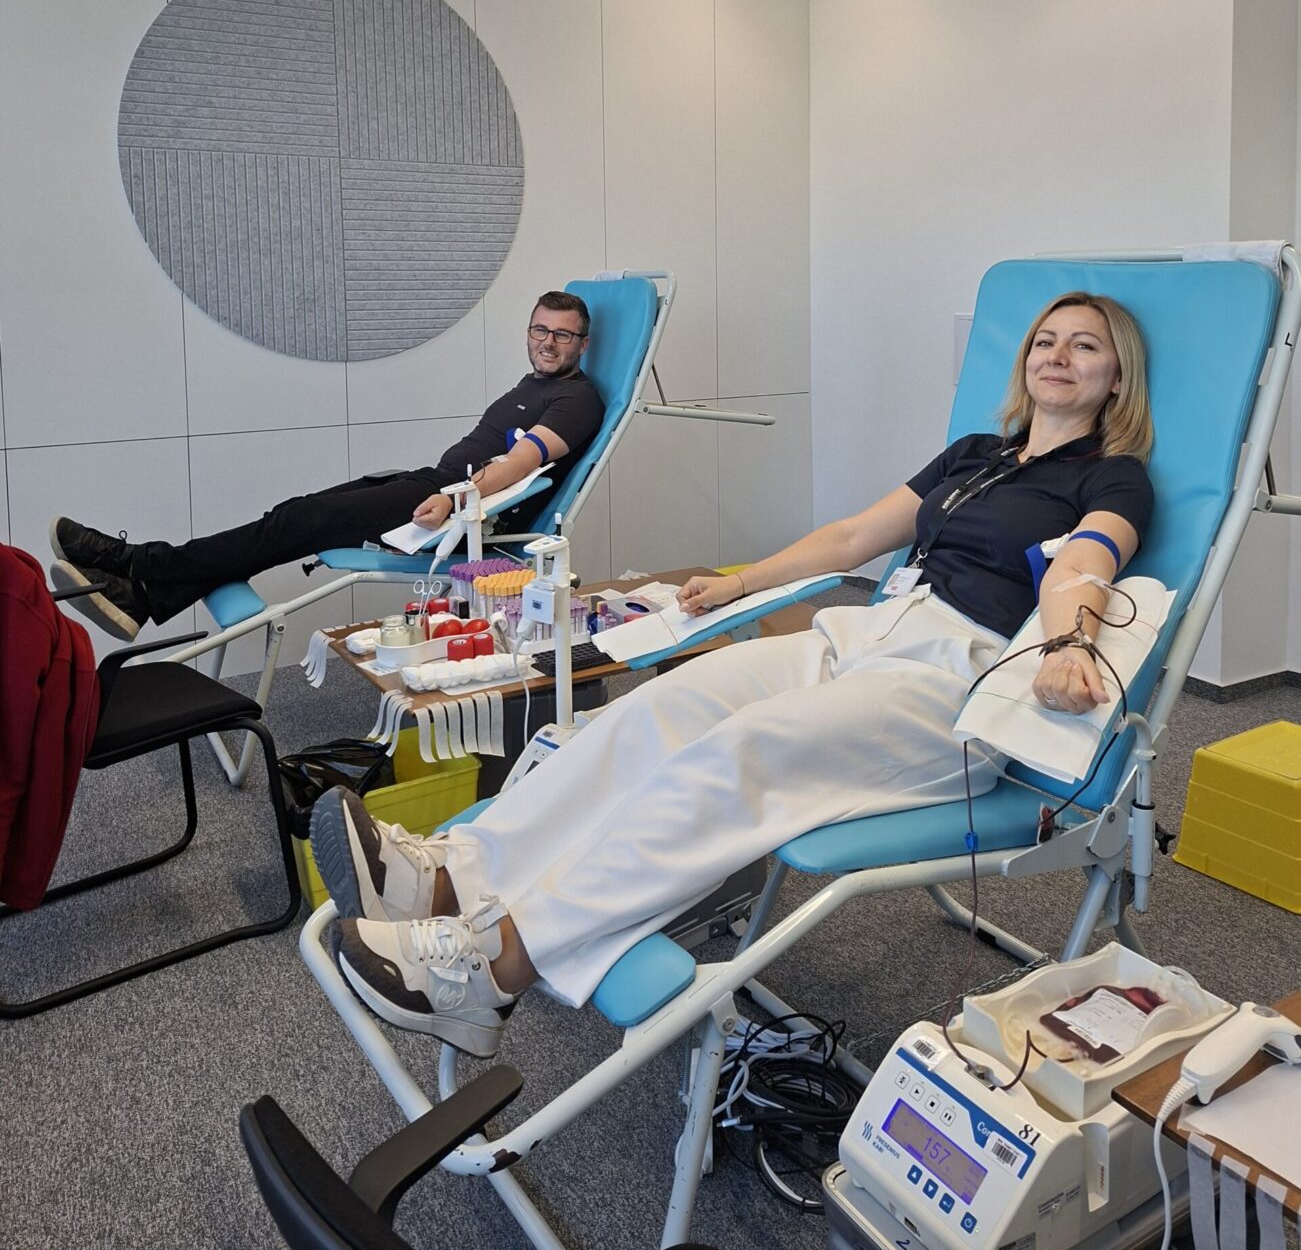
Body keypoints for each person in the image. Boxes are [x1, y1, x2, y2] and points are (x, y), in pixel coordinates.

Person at [311, 291, 1155, 1059]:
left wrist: (1067, 644)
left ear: (1115, 379)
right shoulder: (976, 453)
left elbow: (1083, 563)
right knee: (663, 705)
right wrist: (739, 582)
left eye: (1083, 346)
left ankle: (491, 968)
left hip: (952, 678)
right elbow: (851, 538)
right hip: (864, 632)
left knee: (740, 749)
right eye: (1044, 340)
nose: (1056, 355)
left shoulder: (1112, 476)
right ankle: (448, 875)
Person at [49, 292, 604, 642]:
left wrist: (455, 499)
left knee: (295, 523)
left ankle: (134, 563)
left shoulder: (577, 399)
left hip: (455, 513)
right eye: (540, 330)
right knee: (293, 516)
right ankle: (146, 597)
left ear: (582, 344)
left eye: (562, 334)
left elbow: (520, 463)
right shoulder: (534, 383)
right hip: (431, 486)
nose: (548, 342)